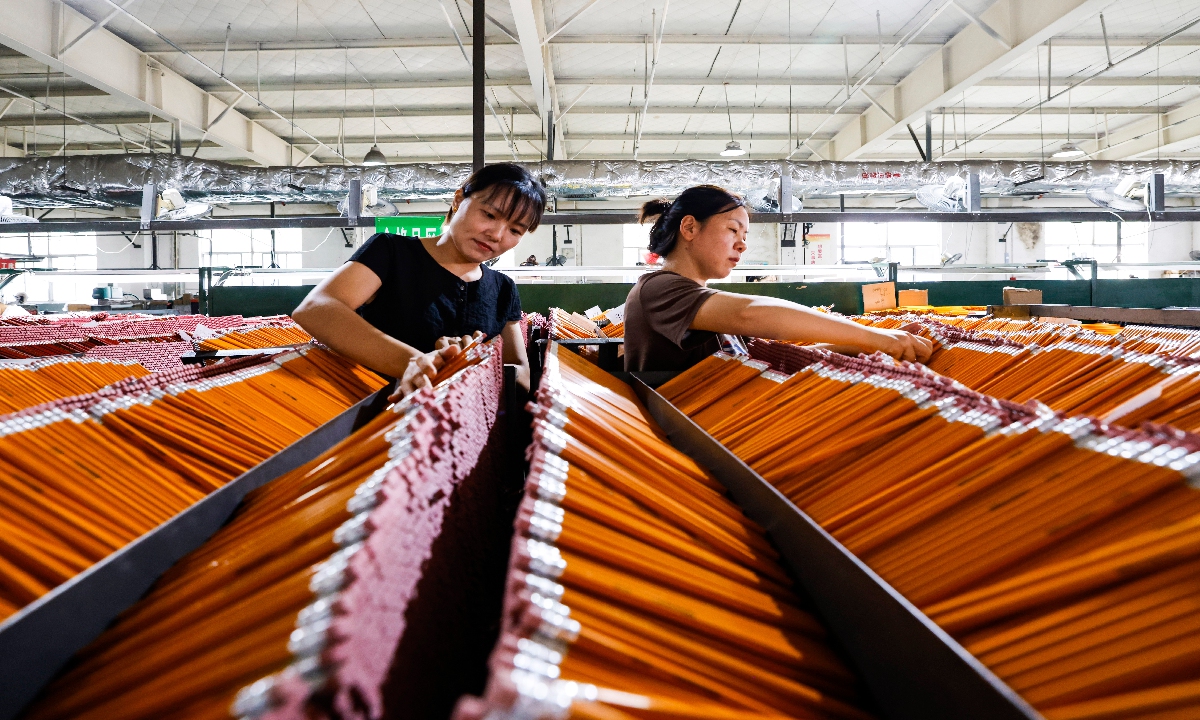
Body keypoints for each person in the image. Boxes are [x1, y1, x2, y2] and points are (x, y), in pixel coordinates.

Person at [292, 162, 545, 394]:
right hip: (378, 418)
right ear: (459, 200)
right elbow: (316, 309)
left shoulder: (503, 289)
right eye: (489, 215)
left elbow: (519, 372)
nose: (497, 234)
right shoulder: (391, 253)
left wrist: (475, 362)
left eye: (515, 230)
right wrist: (414, 362)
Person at [624, 184, 933, 372]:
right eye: (733, 230)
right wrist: (871, 336)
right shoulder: (658, 289)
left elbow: (767, 359)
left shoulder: (702, 308)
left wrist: (867, 346)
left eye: (744, 234)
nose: (742, 244)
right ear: (690, 228)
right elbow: (749, 314)